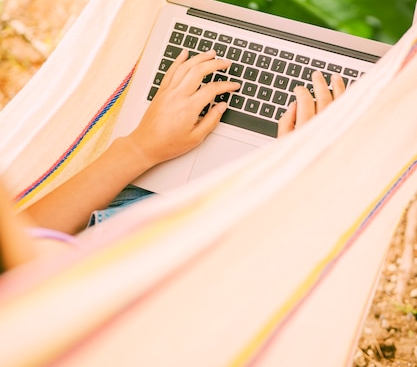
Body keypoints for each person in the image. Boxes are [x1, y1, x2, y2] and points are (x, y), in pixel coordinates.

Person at [0, 48, 345, 273]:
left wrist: (139, 147)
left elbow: (23, 239)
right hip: (246, 229)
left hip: (132, 204)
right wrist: (295, 182)